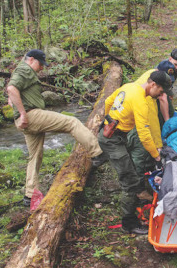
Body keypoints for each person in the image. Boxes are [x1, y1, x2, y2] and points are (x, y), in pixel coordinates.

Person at [6, 49, 106, 206]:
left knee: (35, 155)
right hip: (31, 116)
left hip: (25, 120)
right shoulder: (25, 69)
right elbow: (11, 89)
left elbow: (13, 90)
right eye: (40, 64)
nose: (41, 68)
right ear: (31, 59)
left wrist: (15, 105)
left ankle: (30, 194)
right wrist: (23, 113)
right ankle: (98, 153)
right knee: (71, 122)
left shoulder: (21, 70)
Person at [98, 71, 172, 235]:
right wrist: (157, 156)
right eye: (160, 92)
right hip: (113, 140)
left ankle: (133, 206)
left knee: (130, 172)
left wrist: (108, 120)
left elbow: (109, 101)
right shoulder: (141, 101)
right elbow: (144, 135)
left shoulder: (129, 86)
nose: (160, 95)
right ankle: (129, 223)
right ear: (153, 85)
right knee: (130, 182)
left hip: (117, 136)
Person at [128, 62, 177, 182]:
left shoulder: (150, 77)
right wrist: (158, 148)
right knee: (140, 154)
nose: (161, 94)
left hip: (130, 121)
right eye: (161, 91)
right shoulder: (145, 98)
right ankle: (139, 187)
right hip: (136, 126)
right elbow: (152, 123)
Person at [156, 48, 177, 125]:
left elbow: (169, 85)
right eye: (176, 64)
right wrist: (167, 121)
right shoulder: (164, 68)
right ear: (170, 59)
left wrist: (170, 93)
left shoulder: (173, 68)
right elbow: (162, 97)